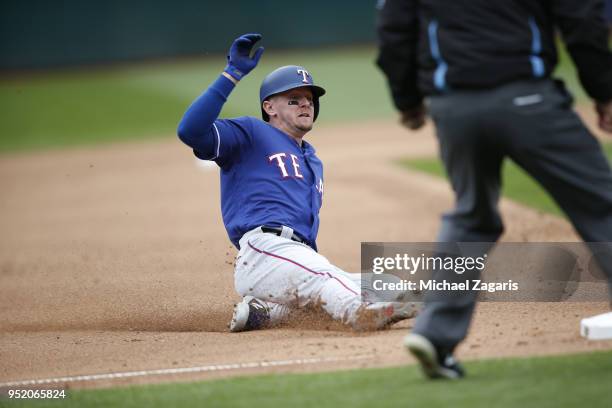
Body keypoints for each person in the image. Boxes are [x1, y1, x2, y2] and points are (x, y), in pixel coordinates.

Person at [376, 0, 612, 379]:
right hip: (528, 96)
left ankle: (434, 334)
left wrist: (406, 99)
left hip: (454, 108)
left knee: (472, 216)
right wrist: (603, 89)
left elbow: (393, 30)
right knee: (602, 204)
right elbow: (581, 17)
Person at [177, 33, 418, 333]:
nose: (306, 104)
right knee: (325, 278)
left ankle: (267, 312)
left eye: (309, 100)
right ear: (269, 107)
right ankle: (358, 313)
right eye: (294, 100)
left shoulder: (312, 159)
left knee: (388, 285)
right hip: (264, 249)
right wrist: (232, 74)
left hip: (294, 259)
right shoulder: (250, 133)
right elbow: (190, 130)